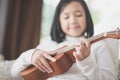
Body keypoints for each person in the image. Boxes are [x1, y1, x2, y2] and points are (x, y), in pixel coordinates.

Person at [11, 0, 117, 80]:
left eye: (78, 15)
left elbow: (110, 78)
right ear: (58, 22)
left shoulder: (98, 45)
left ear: (87, 18)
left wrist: (86, 62)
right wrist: (30, 55)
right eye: (66, 17)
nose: (73, 21)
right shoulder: (48, 44)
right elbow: (15, 74)